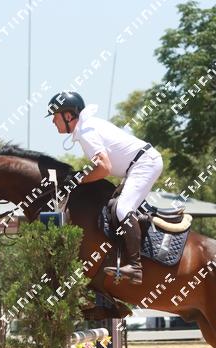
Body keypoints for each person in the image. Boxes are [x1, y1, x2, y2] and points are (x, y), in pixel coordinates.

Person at [46, 91, 164, 285]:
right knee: (115, 207)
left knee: (123, 208)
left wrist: (78, 181)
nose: (52, 121)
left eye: (55, 116)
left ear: (68, 116)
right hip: (138, 165)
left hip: (144, 164)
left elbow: (104, 168)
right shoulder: (87, 127)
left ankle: (135, 267)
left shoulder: (86, 132)